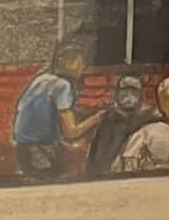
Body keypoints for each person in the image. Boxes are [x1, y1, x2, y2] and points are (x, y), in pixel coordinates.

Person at [11, 41, 104, 179]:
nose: (82, 67)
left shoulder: (41, 79)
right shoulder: (63, 86)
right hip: (42, 153)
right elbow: (71, 132)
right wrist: (97, 118)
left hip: (23, 151)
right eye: (78, 63)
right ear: (65, 63)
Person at [84, 73, 153, 179]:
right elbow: (96, 158)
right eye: (125, 90)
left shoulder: (148, 118)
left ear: (140, 95)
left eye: (133, 91)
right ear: (117, 94)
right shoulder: (108, 119)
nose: (129, 95)